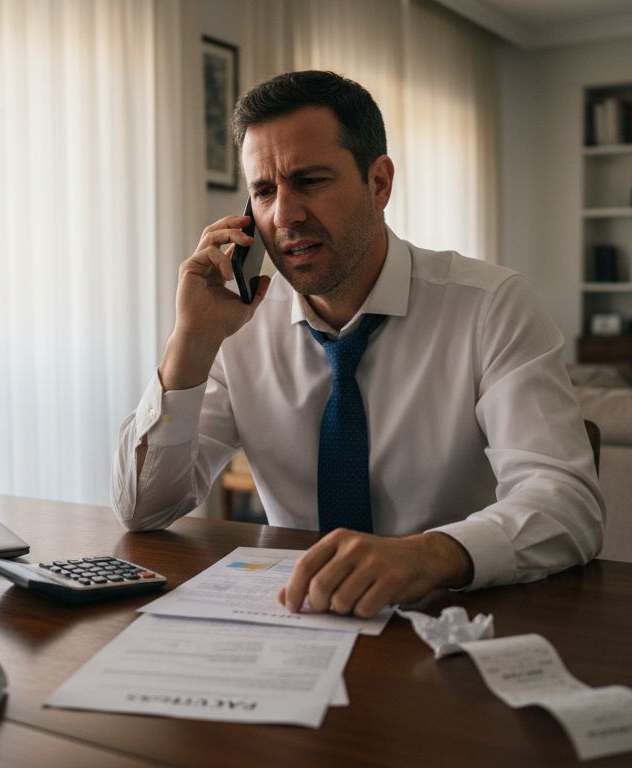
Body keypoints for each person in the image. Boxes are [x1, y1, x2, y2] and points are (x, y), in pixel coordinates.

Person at [112, 70, 603, 619]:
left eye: (310, 181)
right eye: (265, 191)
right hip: (296, 618)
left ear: (379, 184)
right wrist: (190, 342)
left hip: (453, 623)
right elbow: (142, 509)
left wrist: (424, 556)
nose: (285, 216)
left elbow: (567, 504)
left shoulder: (491, 307)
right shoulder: (237, 324)